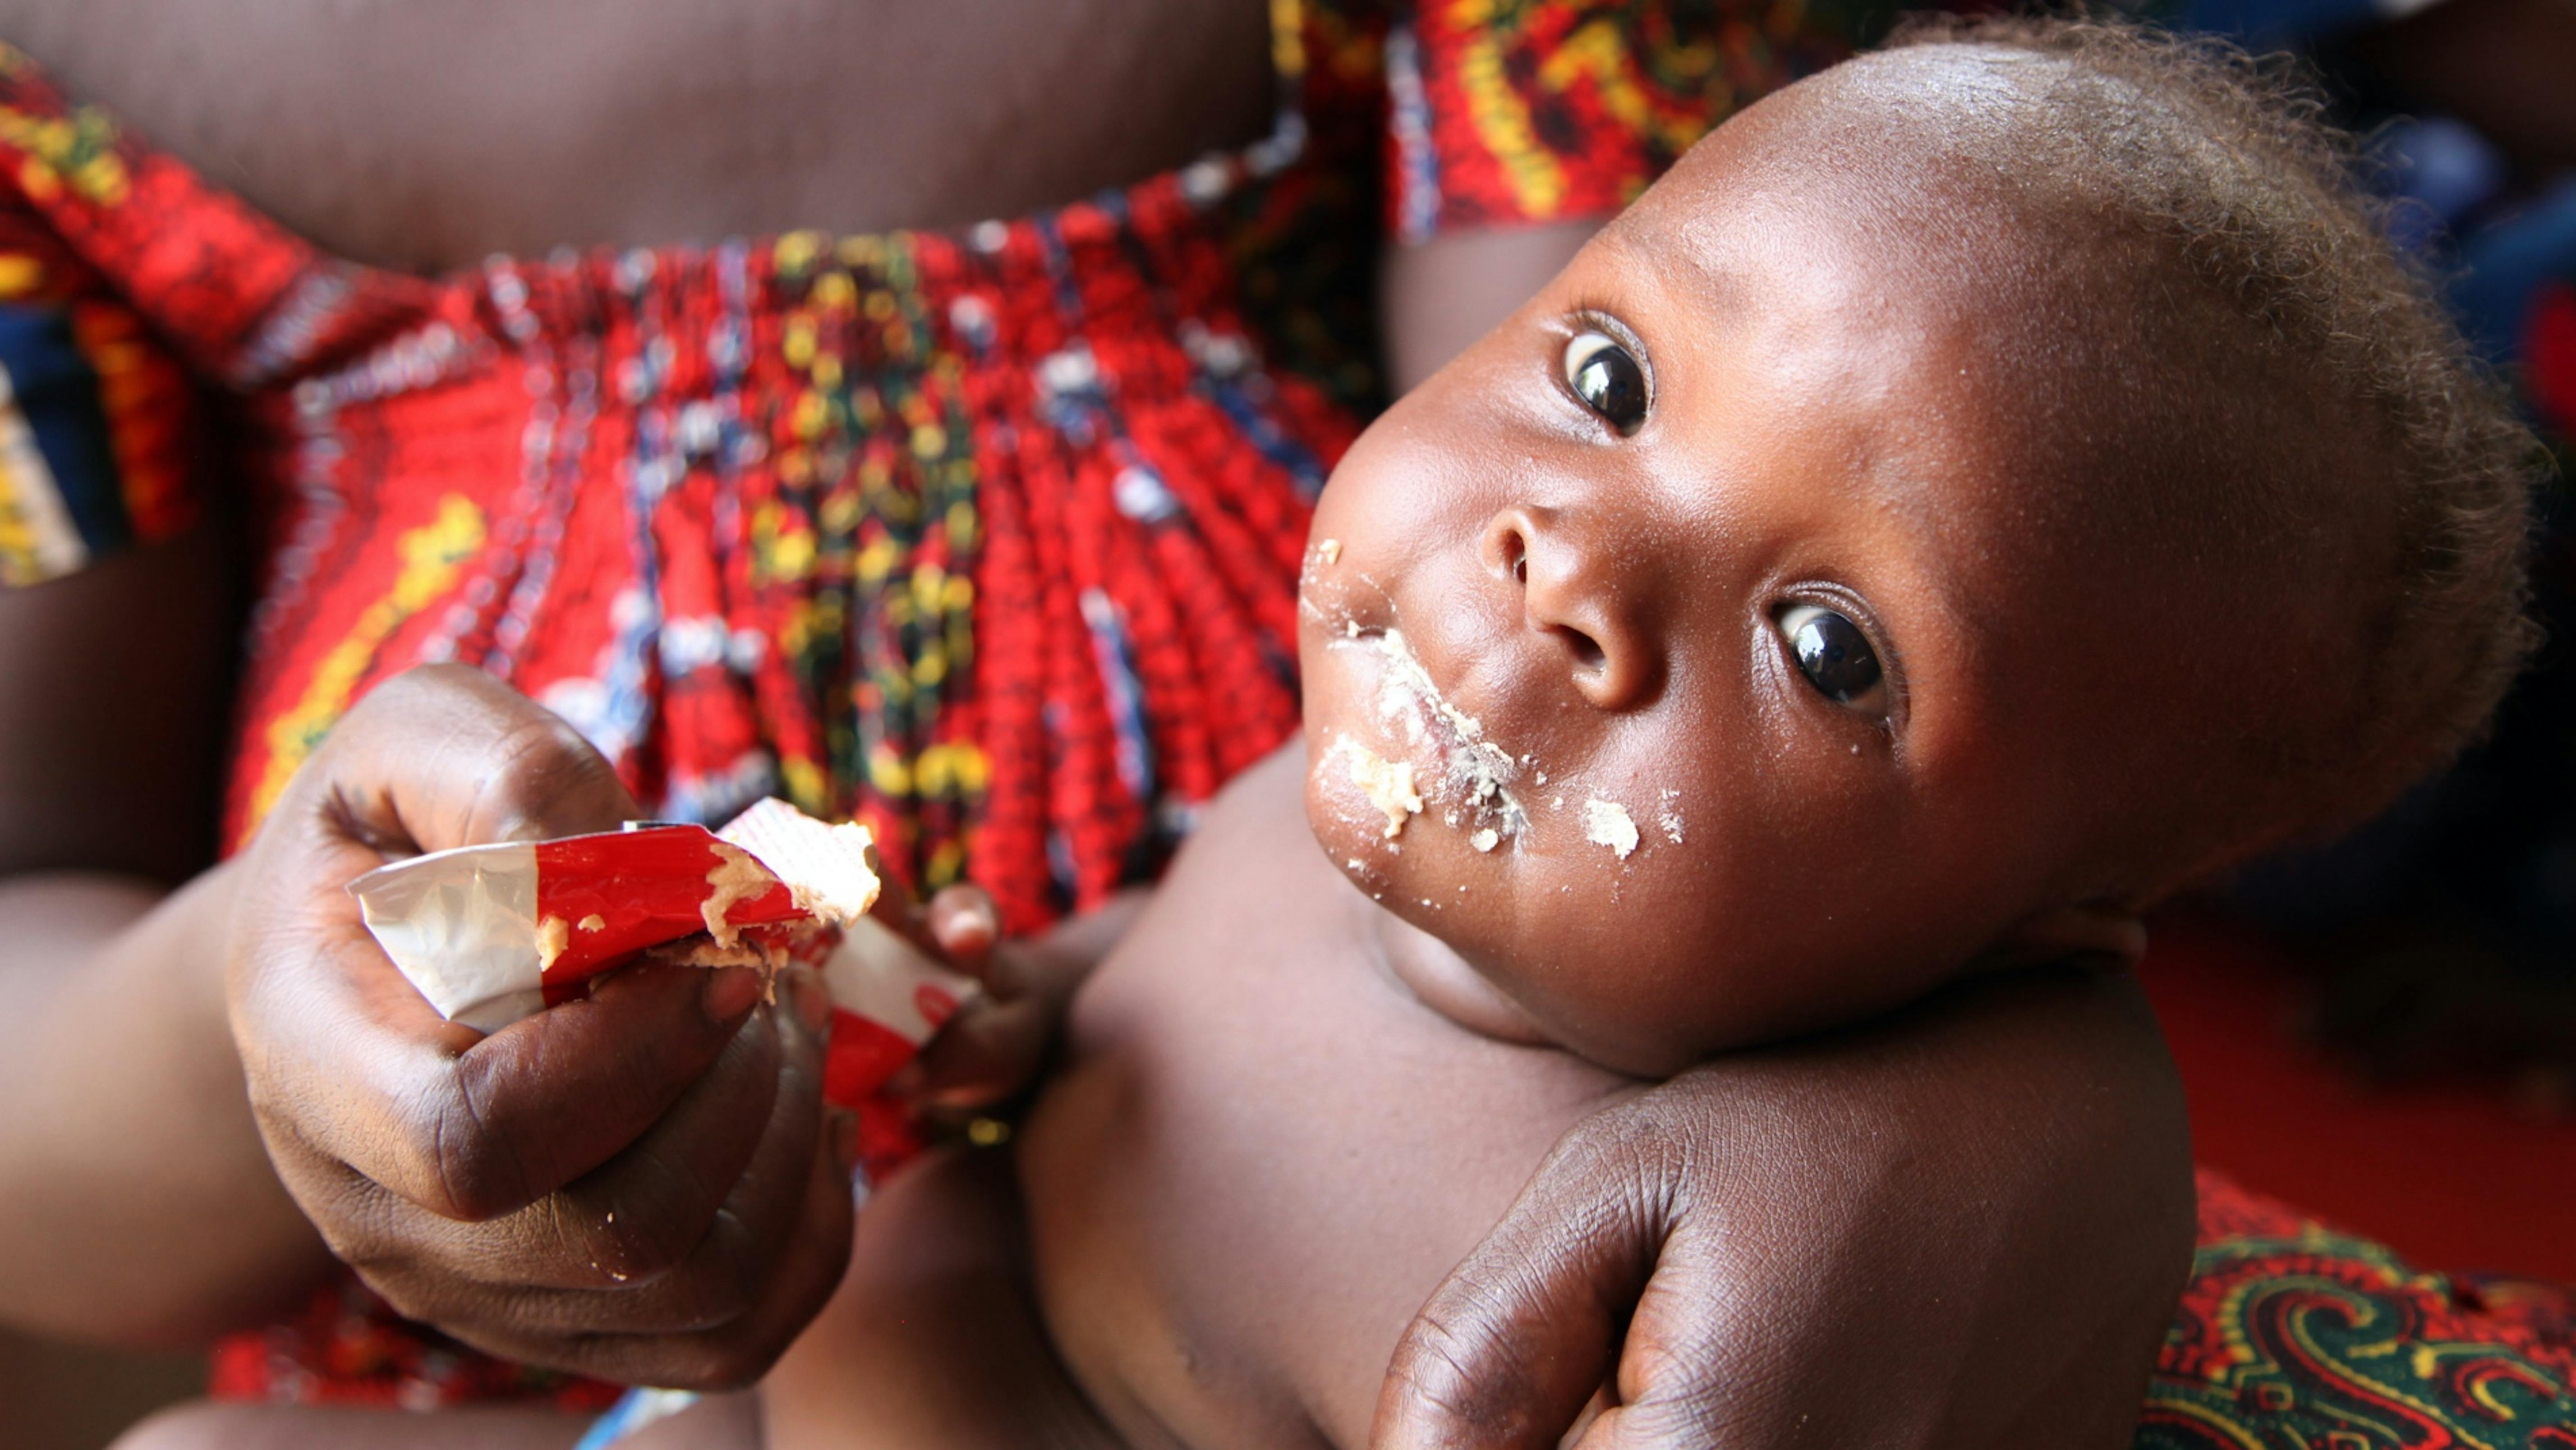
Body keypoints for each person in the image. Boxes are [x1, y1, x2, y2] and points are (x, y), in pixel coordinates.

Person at [122, 16, 2576, 1450]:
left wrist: (2043, 1139)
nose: (1574, 566)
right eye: (1609, 380)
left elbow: (2043, 1262)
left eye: (1833, 650)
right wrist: (1003, 1013)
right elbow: (1143, 998)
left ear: (2044, 924)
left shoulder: (1659, 1223)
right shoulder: (1313, 825)